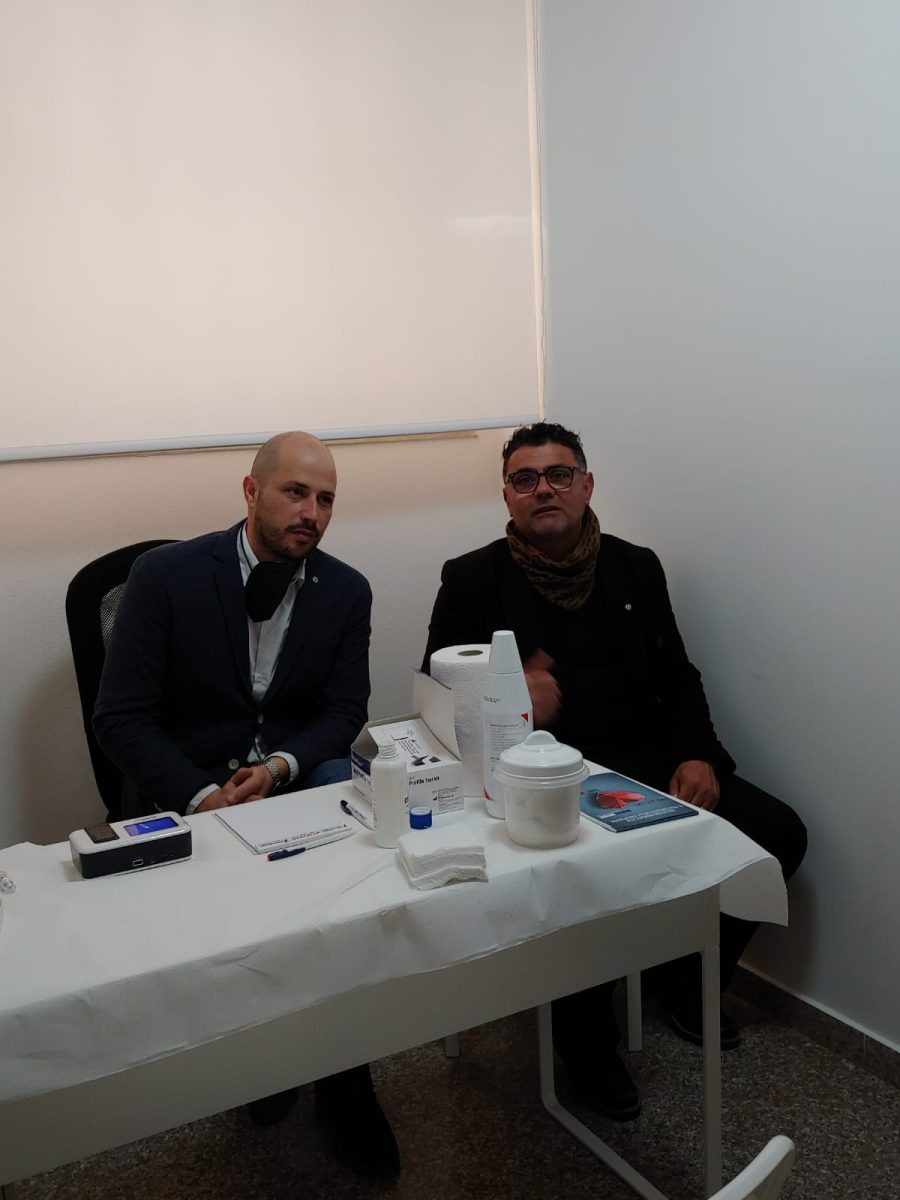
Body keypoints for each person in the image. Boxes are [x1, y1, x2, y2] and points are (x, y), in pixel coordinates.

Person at [423, 421, 807, 1121]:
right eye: (524, 479)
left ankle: (685, 980)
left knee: (779, 833)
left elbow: (678, 675)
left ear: (587, 485)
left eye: (559, 474)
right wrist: (507, 695)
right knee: (580, 876)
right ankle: (585, 1037)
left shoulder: (635, 566)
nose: (543, 489)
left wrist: (698, 754)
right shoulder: (473, 577)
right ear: (507, 497)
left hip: (650, 760)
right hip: (546, 774)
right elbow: (435, 690)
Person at [94, 431, 400, 1179]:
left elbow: (344, 709)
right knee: (245, 934)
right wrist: (201, 794)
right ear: (251, 490)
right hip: (189, 791)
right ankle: (263, 1060)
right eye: (295, 492)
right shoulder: (164, 577)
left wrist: (281, 765)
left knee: (343, 909)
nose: (311, 513)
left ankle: (345, 1080)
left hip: (287, 784)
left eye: (325, 499)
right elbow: (121, 719)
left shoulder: (347, 589)